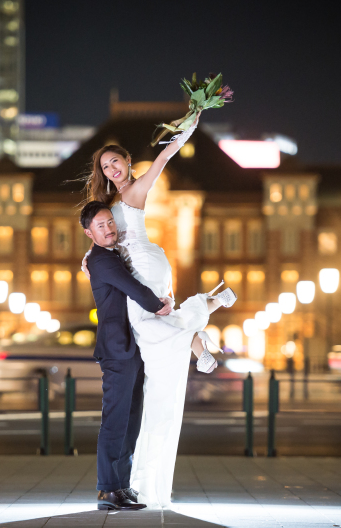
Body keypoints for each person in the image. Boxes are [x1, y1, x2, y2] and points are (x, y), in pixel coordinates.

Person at [80, 115, 237, 508]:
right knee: (153, 330)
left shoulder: (136, 189)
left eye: (117, 162)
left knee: (152, 324)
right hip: (142, 266)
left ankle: (205, 316)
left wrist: (192, 121)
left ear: (129, 163)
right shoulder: (111, 207)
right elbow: (103, 232)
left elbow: (166, 156)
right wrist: (89, 254)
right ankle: (201, 329)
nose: (112, 169)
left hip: (144, 267)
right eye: (106, 166)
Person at [80, 201, 171, 511]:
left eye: (110, 222)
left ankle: (121, 485)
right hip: (117, 348)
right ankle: (107, 489)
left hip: (130, 347)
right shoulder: (102, 260)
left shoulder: (112, 255)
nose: (108, 228)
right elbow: (133, 288)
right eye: (101, 226)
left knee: (131, 419)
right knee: (115, 420)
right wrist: (158, 305)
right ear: (88, 232)